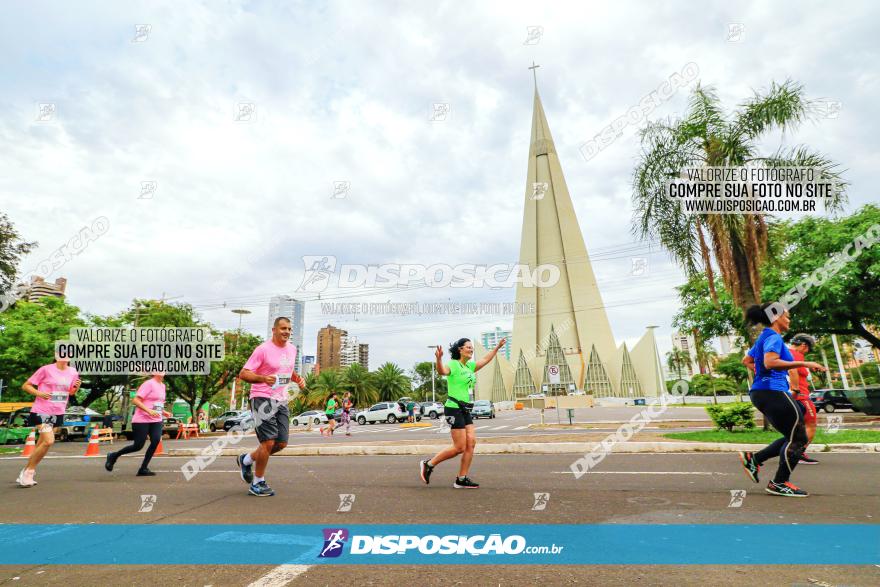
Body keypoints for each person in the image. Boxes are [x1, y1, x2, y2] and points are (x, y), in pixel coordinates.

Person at [739, 304, 826, 497]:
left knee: (794, 433)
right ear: (776, 317)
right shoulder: (773, 337)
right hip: (772, 392)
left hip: (763, 392)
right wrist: (805, 363)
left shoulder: (764, 336)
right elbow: (770, 362)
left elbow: (747, 361)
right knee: (800, 438)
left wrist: (763, 375)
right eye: (787, 316)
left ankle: (754, 459)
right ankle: (779, 483)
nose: (789, 320)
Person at [419, 337, 505, 489]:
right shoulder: (453, 364)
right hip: (453, 407)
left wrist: (497, 347)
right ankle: (429, 464)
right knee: (459, 447)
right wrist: (439, 359)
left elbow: (485, 359)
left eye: (472, 347)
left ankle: (461, 478)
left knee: (471, 443)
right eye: (468, 347)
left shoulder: (469, 366)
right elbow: (442, 371)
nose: (471, 349)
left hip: (465, 408)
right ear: (460, 349)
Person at [235, 317, 305, 497]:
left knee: (280, 443)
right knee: (268, 442)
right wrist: (262, 378)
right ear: (274, 330)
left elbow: (287, 369)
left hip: (281, 400)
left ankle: (247, 459)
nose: (287, 332)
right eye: (283, 328)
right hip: (261, 397)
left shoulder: (292, 349)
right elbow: (244, 373)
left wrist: (297, 379)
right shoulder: (263, 349)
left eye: (289, 329)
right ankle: (257, 483)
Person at [17, 356, 81, 487]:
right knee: (49, 440)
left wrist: (76, 388)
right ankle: (29, 472)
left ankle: (26, 472)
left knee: (41, 444)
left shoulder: (73, 372)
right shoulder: (46, 369)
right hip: (42, 410)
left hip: (58, 411)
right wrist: (39, 393)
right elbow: (26, 386)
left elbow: (70, 393)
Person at [105, 372, 168, 476]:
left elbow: (157, 403)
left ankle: (143, 468)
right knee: (138, 446)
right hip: (142, 419)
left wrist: (164, 412)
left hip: (156, 419)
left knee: (156, 440)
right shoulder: (148, 384)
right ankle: (113, 456)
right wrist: (148, 411)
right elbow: (135, 400)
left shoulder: (163, 386)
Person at [788, 333, 819, 464]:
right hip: (800, 395)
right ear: (803, 345)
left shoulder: (786, 353)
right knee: (811, 424)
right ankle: (798, 453)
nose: (807, 352)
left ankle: (790, 451)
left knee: (795, 428)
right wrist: (796, 390)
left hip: (793, 395)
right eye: (808, 349)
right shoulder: (795, 354)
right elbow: (792, 371)